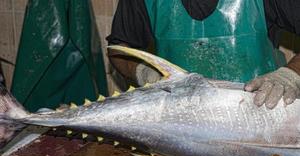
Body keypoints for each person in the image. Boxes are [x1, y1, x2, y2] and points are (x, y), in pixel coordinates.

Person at [107, 0, 300, 109]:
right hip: (178, 120)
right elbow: (118, 48)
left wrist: (289, 75)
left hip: (259, 113)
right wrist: (144, 72)